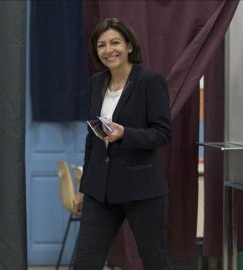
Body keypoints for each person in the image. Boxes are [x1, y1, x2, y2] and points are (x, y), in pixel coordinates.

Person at [72, 17, 173, 270]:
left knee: (154, 260)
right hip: (100, 191)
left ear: (129, 46)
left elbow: (162, 133)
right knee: (84, 261)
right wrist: (84, 188)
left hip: (142, 190)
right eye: (101, 45)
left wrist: (125, 134)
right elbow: (92, 139)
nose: (108, 50)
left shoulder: (150, 81)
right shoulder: (97, 82)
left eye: (115, 42)